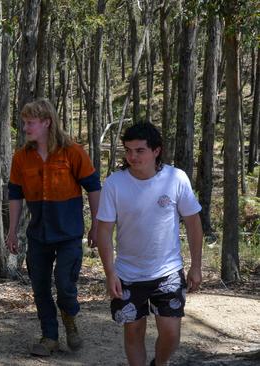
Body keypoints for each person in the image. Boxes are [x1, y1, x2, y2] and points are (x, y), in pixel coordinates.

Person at [95, 122, 203, 366]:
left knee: (171, 334)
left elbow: (194, 223)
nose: (133, 156)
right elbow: (104, 230)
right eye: (128, 150)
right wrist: (110, 272)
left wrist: (196, 265)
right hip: (127, 274)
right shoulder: (114, 183)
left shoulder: (176, 178)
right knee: (133, 332)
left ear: (156, 151)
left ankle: (159, 363)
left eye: (140, 150)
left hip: (168, 272)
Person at [6, 99, 101, 356]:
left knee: (64, 282)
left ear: (47, 122)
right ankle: (49, 337)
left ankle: (69, 319)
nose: (25, 127)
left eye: (30, 122)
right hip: (37, 235)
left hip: (69, 233)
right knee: (40, 287)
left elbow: (93, 187)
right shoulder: (21, 158)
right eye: (24, 122)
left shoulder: (72, 152)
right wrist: (12, 230)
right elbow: (15, 195)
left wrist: (96, 225)